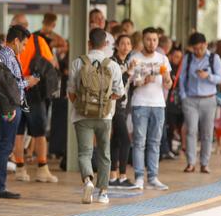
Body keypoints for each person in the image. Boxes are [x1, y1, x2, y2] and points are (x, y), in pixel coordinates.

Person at [68, 29, 124, 204]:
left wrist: (83, 104)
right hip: (104, 116)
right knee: (104, 153)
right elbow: (119, 93)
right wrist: (104, 101)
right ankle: (103, 193)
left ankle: (87, 181)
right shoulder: (113, 65)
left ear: (89, 43)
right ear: (106, 44)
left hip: (81, 115)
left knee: (85, 152)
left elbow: (71, 92)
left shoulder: (77, 63)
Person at [130, 27, 172, 190]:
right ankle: (139, 177)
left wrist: (167, 78)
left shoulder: (162, 59)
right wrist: (142, 80)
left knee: (155, 142)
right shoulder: (135, 58)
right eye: (148, 39)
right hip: (140, 103)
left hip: (158, 104)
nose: (152, 43)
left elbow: (168, 84)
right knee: (139, 142)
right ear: (143, 40)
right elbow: (131, 82)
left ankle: (153, 177)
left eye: (154, 40)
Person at [14, 26, 58, 183]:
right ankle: (42, 169)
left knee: (18, 132)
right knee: (39, 132)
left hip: (16, 90)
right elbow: (52, 63)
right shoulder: (38, 41)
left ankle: (20, 168)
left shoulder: (10, 45)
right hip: (34, 91)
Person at [0, 25, 34, 199]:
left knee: (5, 145)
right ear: (16, 41)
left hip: (10, 106)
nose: (24, 48)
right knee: (5, 146)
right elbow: (9, 84)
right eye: (24, 44)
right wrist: (29, 82)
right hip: (10, 107)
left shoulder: (8, 56)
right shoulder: (7, 57)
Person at [178, 33, 221, 174]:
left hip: (209, 100)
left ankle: (204, 163)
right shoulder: (188, 58)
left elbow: (220, 78)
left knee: (207, 133)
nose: (198, 51)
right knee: (191, 131)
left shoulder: (214, 58)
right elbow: (182, 78)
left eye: (200, 48)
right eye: (195, 48)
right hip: (190, 100)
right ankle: (191, 163)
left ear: (206, 44)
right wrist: (183, 96)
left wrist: (208, 76)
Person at [109, 34, 137, 189]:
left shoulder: (126, 63)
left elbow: (128, 87)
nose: (126, 46)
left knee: (116, 141)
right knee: (126, 141)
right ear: (117, 46)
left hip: (123, 106)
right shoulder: (113, 63)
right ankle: (122, 176)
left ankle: (113, 176)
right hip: (114, 106)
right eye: (123, 43)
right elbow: (118, 85)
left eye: (128, 43)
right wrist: (130, 72)